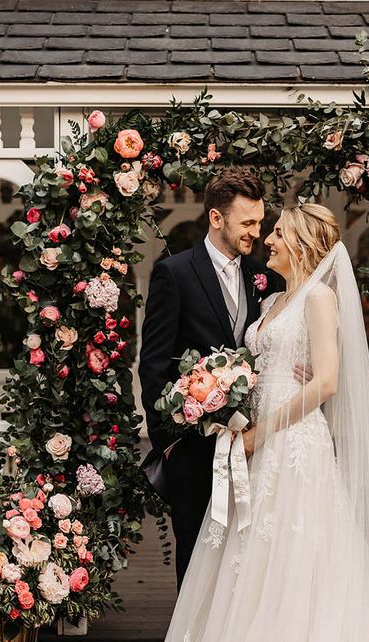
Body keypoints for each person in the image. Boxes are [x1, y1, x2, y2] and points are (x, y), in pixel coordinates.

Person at [142, 203, 369, 642]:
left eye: (277, 232)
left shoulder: (319, 299)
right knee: (250, 559)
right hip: (254, 441)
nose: (267, 240)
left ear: (301, 242)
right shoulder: (272, 303)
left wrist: (265, 428)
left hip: (293, 442)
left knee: (298, 554)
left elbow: (326, 380)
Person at [139, 168, 282, 589]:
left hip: (253, 446)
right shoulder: (176, 274)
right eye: (248, 223)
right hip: (194, 447)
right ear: (216, 219)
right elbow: (154, 363)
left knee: (248, 554)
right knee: (196, 552)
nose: (257, 232)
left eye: (260, 222)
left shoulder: (267, 279)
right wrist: (169, 443)